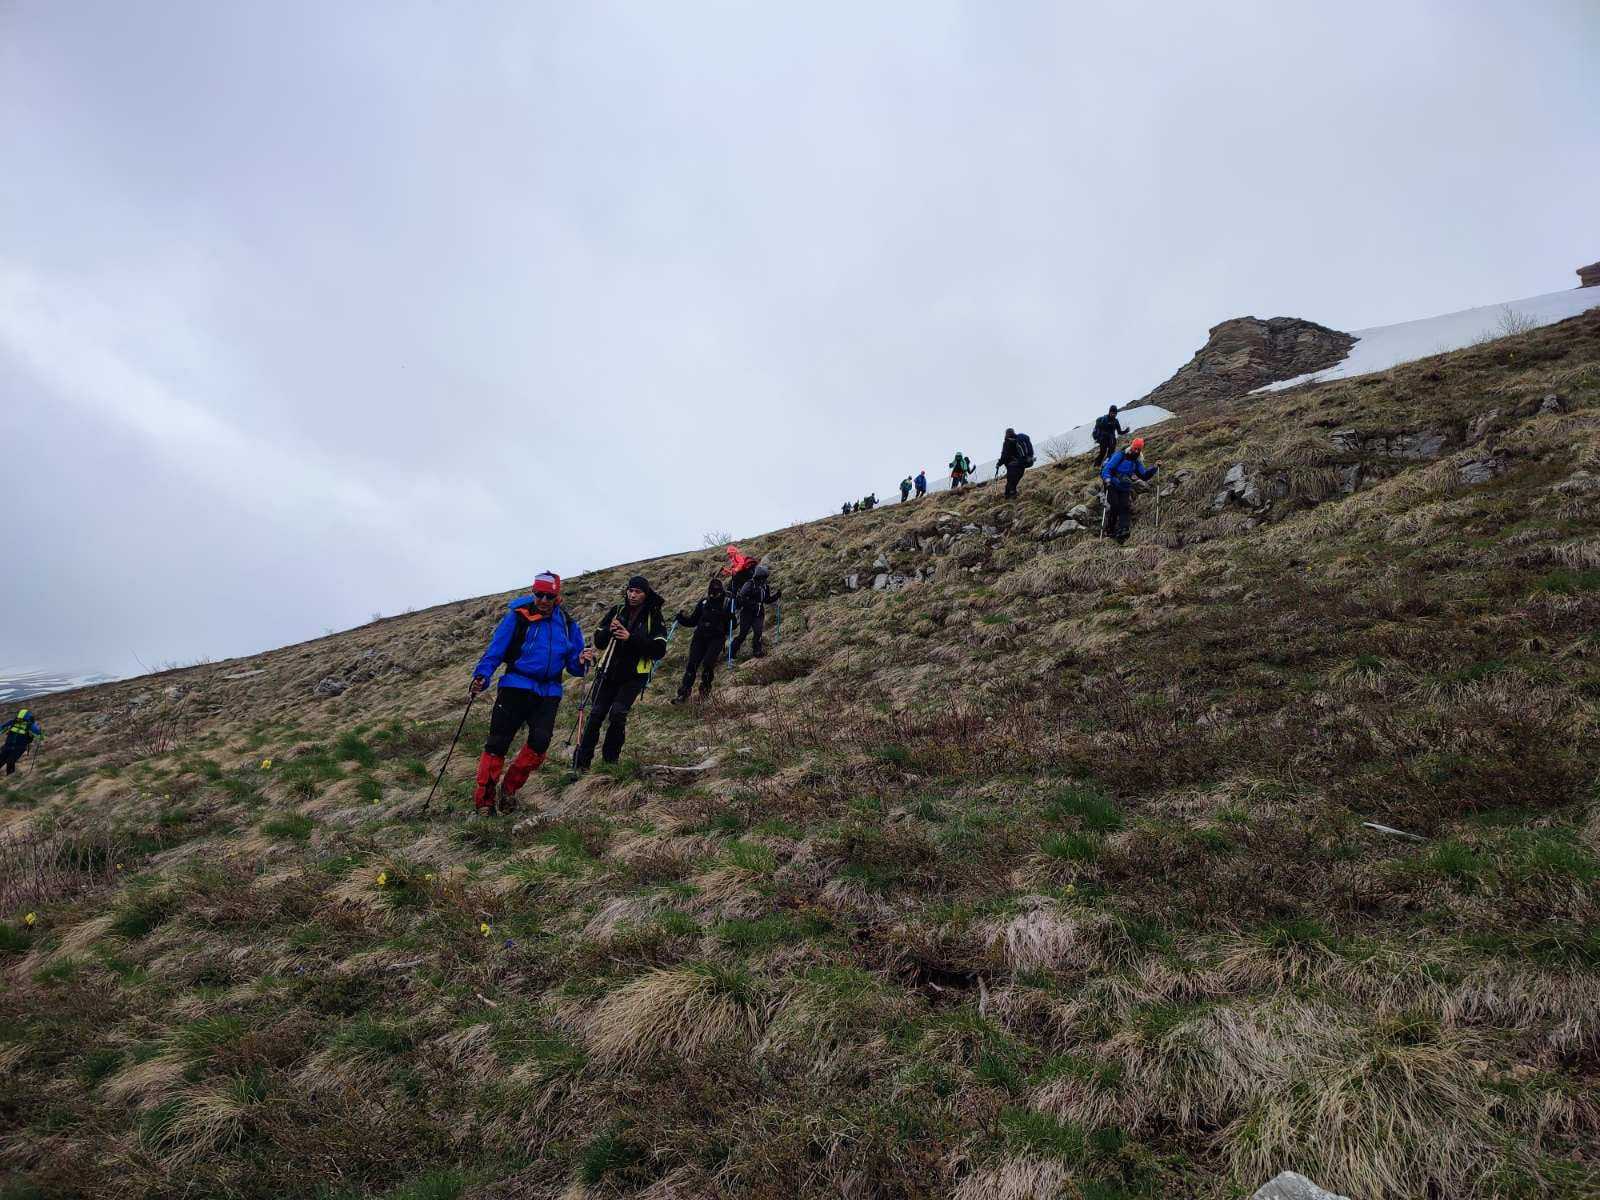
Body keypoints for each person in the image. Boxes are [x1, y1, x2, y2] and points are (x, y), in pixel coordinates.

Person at [468, 573, 590, 814]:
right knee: (497, 744)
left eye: (549, 596)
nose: (543, 600)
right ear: (533, 593)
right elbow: (496, 650)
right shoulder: (518, 616)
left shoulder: (568, 624)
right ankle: (485, 802)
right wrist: (482, 676)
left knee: (540, 743)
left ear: (557, 597)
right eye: (539, 594)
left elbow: (575, 667)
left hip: (549, 691)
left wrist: (582, 660)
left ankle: (509, 789)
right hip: (515, 685)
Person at [573, 575, 669, 771]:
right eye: (630, 590)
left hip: (634, 676)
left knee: (617, 714)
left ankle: (610, 764)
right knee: (595, 715)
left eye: (638, 592)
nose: (633, 595)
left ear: (645, 594)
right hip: (608, 671)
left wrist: (630, 638)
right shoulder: (617, 610)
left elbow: (659, 650)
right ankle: (581, 764)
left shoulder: (654, 615)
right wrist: (609, 631)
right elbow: (599, 642)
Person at [671, 577, 738, 702]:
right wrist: (681, 619)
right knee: (692, 664)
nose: (713, 595)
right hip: (700, 637)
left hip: (717, 638)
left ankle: (704, 692)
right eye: (711, 592)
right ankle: (683, 693)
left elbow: (733, 626)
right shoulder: (703, 602)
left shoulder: (727, 603)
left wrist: (730, 617)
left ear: (721, 591)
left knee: (708, 664)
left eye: (716, 592)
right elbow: (693, 621)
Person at [1101, 436, 1157, 543]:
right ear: (1132, 446)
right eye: (1135, 448)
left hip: (1125, 486)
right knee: (1115, 506)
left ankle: (1123, 529)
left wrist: (1154, 468)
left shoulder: (1137, 461)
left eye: (1139, 449)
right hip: (1112, 483)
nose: (1136, 451)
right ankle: (1110, 530)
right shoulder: (1120, 455)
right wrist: (1107, 480)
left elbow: (1144, 475)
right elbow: (1108, 468)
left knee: (1125, 507)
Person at [730, 563, 781, 660]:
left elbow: (766, 600)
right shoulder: (749, 584)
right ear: (759, 576)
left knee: (758, 632)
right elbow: (741, 598)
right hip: (747, 613)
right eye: (764, 577)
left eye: (765, 577)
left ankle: (757, 651)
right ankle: (732, 651)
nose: (765, 579)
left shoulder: (765, 587)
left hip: (759, 613)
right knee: (743, 634)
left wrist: (776, 596)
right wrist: (752, 604)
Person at [1, 709, 43, 775]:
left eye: (21, 719)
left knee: (10, 761)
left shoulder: (30, 726)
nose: (19, 720)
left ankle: (11, 776)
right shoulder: (12, 722)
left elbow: (39, 736)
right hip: (8, 746)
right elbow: (2, 728)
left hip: (19, 748)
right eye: (18, 718)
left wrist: (38, 731)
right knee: (2, 760)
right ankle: (11, 776)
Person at [997, 428, 1028, 497]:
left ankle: (1009, 497)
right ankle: (1012, 495)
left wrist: (999, 463)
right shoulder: (1018, 440)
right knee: (1014, 482)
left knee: (1010, 482)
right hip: (1021, 465)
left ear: (1006, 434)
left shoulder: (1007, 442)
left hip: (1012, 466)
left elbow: (1004, 455)